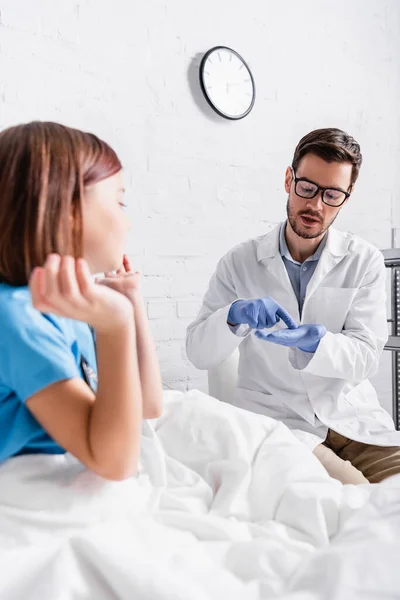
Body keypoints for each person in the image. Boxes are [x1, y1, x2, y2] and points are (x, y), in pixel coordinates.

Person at [186, 127, 400, 485]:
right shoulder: (239, 262)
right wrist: (233, 315)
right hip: (282, 421)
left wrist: (320, 344)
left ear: (346, 197)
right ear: (289, 179)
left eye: (332, 195)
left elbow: (366, 355)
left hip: (353, 418)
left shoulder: (364, 260)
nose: (315, 205)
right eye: (307, 188)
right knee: (356, 497)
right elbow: (199, 353)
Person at [0, 121, 163, 481]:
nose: (128, 223)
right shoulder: (16, 316)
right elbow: (114, 463)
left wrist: (130, 301)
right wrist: (115, 324)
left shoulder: (69, 304)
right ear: (66, 211)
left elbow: (147, 406)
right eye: (119, 202)